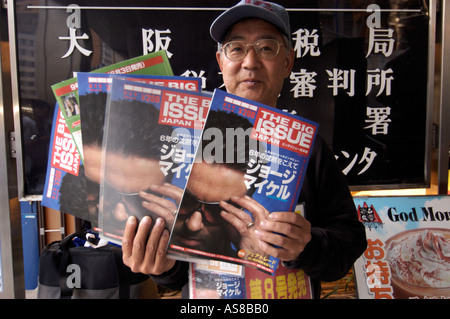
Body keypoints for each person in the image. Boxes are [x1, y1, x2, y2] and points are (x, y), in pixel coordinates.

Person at [121, 0, 367, 299]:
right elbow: (175, 275)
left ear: (288, 62)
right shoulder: (179, 143)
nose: (250, 62)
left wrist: (306, 247)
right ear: (221, 61)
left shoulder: (308, 147)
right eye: (236, 48)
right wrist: (161, 265)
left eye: (266, 48)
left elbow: (350, 242)